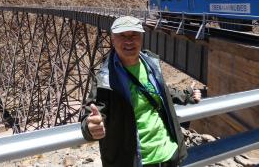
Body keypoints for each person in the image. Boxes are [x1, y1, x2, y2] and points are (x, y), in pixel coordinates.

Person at [81, 16, 201, 167]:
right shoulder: (105, 77)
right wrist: (90, 127)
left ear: (142, 37)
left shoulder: (150, 62)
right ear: (112, 39)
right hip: (136, 161)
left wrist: (187, 95)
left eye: (134, 35)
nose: (129, 41)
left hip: (169, 154)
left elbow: (160, 90)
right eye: (122, 35)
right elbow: (92, 113)